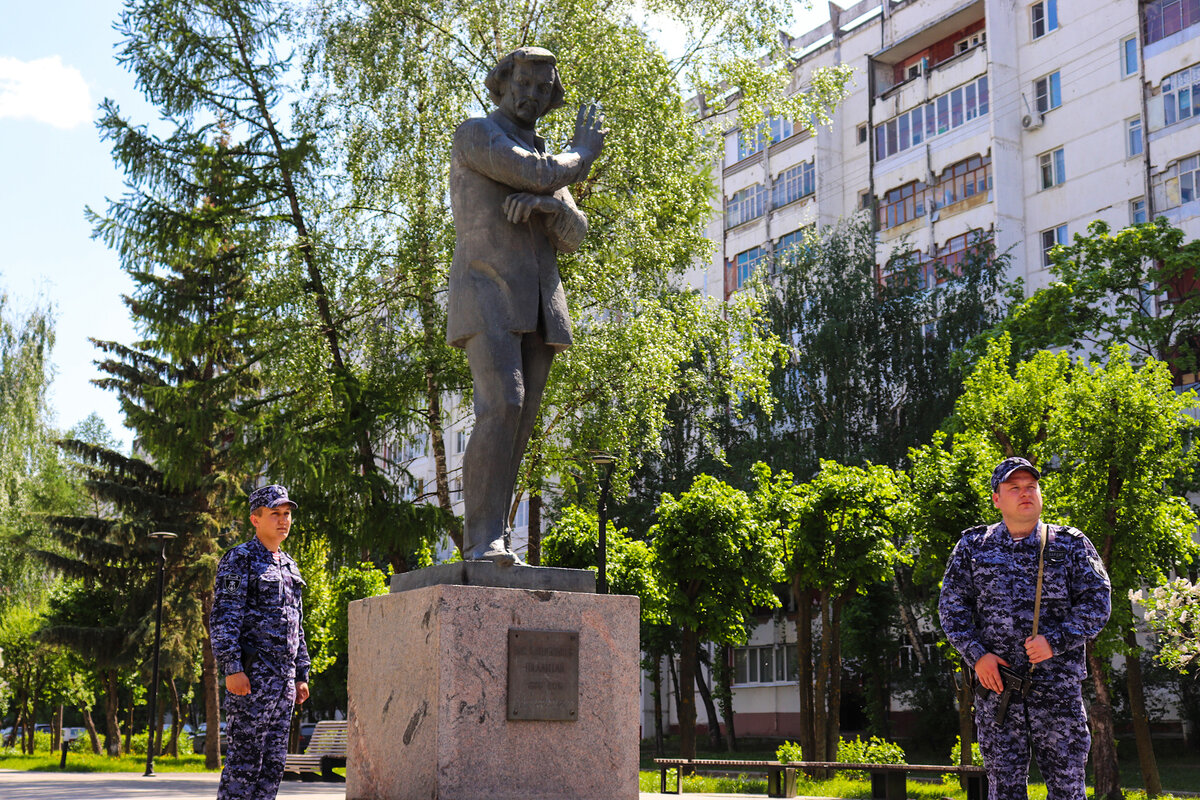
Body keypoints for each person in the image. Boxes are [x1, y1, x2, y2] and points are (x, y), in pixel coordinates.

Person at [446, 46, 606, 563]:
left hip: (539, 306)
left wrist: (544, 205)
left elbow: (576, 233)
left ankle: (493, 536)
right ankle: (482, 539)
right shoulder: (476, 135)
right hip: (487, 290)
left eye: (544, 89)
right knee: (503, 405)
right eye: (525, 85)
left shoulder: (545, 160)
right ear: (502, 83)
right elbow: (534, 174)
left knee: (522, 417)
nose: (533, 96)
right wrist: (580, 155)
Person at [939, 457, 1111, 800]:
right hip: (998, 690)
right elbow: (951, 607)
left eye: (1031, 486)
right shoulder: (974, 548)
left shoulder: (1070, 544)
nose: (1025, 493)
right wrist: (978, 656)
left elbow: (1098, 603)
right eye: (1014, 488)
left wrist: (1055, 641)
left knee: (1067, 789)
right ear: (997, 499)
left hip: (1057, 690)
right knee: (1004, 790)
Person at [210, 484, 310, 800]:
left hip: (283, 683)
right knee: (244, 764)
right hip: (253, 678)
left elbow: (297, 625)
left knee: (273, 765)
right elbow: (224, 616)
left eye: (287, 514)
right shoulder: (240, 559)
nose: (283, 521)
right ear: (256, 519)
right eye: (275, 514)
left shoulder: (290, 565)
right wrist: (231, 668)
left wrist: (301, 674)